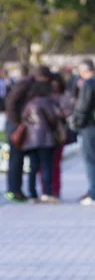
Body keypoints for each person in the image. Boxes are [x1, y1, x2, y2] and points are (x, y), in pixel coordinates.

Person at [3, 66, 51, 202]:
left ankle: (19, 190)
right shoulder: (26, 84)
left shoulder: (32, 84)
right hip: (16, 126)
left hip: (24, 126)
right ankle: (13, 190)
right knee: (16, 159)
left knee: (22, 159)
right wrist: (17, 123)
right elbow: (10, 102)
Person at [71, 59, 95, 206]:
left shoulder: (88, 84)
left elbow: (83, 107)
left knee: (90, 161)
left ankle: (94, 195)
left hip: (89, 126)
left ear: (83, 70)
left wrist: (76, 123)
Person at [21, 81, 63, 204]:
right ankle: (47, 192)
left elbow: (24, 118)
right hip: (46, 139)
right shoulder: (47, 102)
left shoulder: (30, 103)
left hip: (30, 140)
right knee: (46, 166)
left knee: (33, 167)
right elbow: (53, 119)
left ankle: (32, 194)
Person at [44, 73, 76, 198]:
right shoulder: (45, 95)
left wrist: (61, 113)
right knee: (45, 163)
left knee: (56, 163)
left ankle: (56, 190)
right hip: (46, 131)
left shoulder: (65, 95)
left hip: (59, 131)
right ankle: (46, 190)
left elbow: (71, 109)